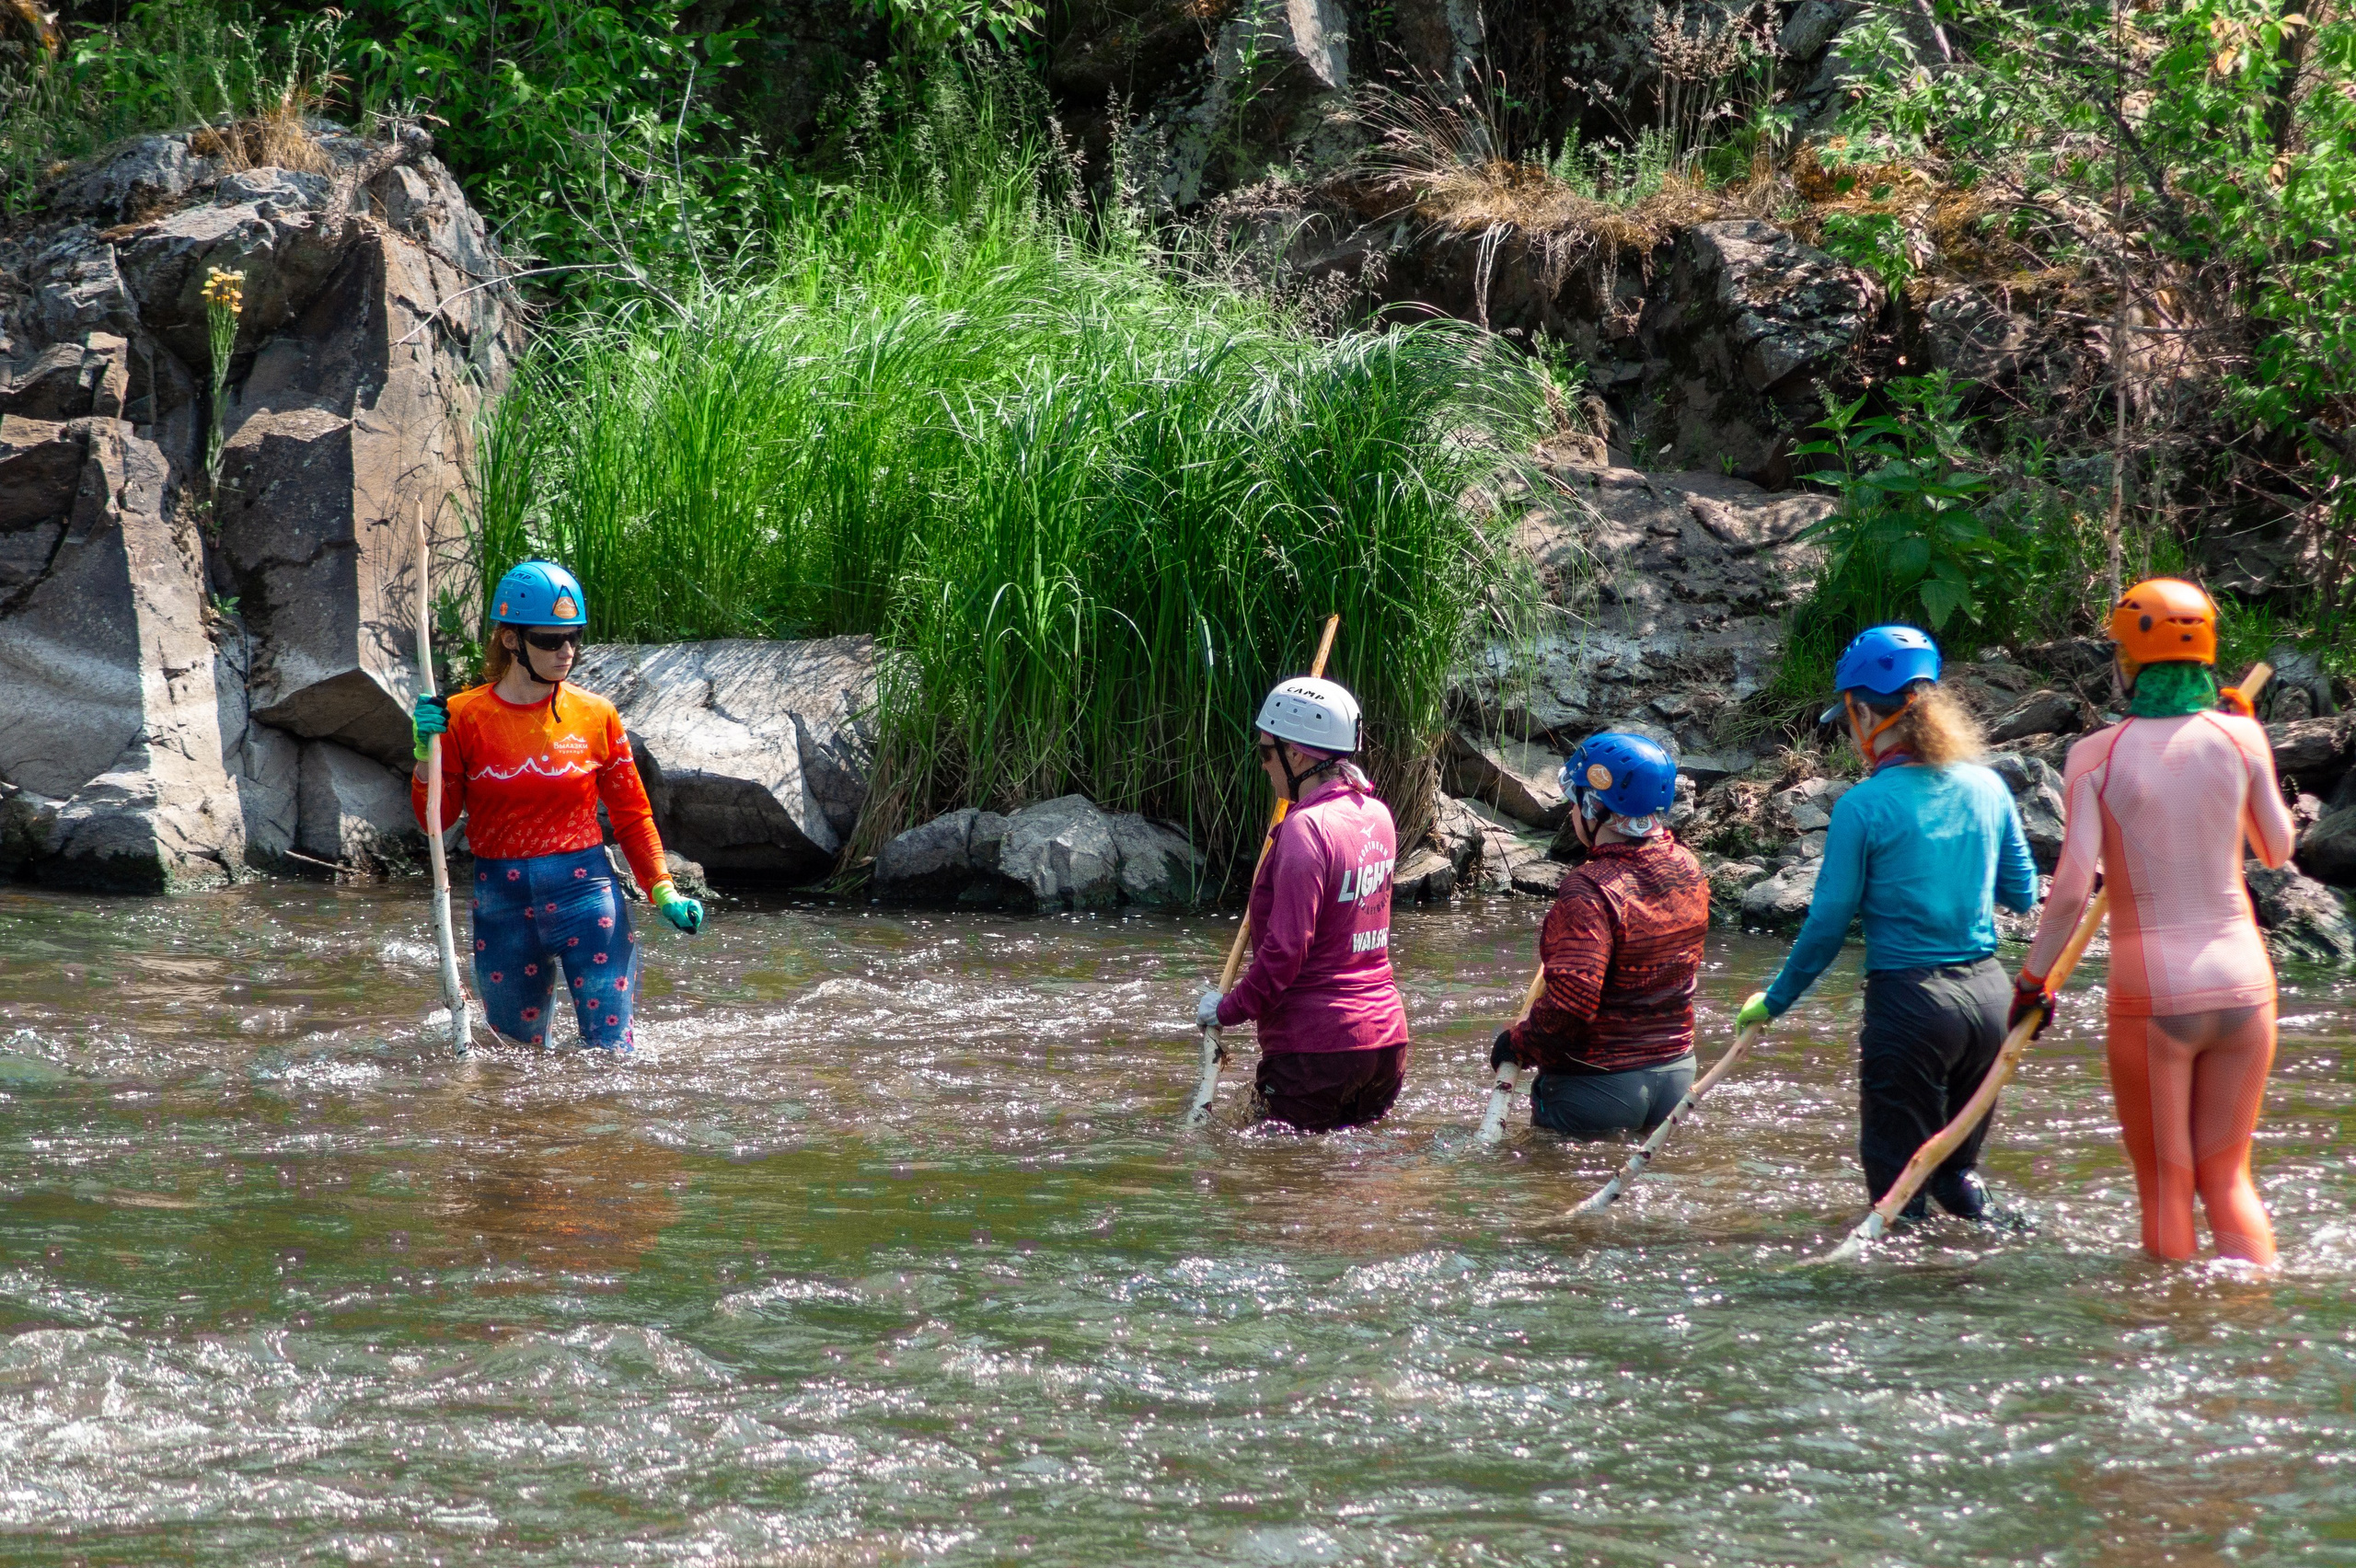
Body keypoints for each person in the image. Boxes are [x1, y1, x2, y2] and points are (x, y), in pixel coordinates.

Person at [2015, 578, 2295, 1264]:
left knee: (2167, 1188)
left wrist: (2031, 981)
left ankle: (2171, 1329)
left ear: (2128, 661)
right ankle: (2250, 1326)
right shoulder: (2241, 737)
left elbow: (2074, 890)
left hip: (2154, 995)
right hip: (2243, 985)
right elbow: (2276, 848)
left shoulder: (2095, 756)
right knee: (2228, 1178)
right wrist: (2245, 741)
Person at [1737, 625, 2038, 1221]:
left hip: (1912, 1009)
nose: (1851, 737)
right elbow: (2021, 892)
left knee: (1897, 1200)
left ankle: (1901, 1305)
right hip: (1989, 1004)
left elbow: (1825, 928)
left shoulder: (1861, 807)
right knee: (1956, 1176)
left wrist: (1773, 1002)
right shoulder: (1987, 785)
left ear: (1867, 712)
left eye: (1849, 720)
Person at [408, 559, 704, 1051]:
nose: (566, 651)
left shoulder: (597, 715)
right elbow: (434, 823)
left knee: (612, 1054)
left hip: (589, 901)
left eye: (574, 638)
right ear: (511, 640)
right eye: (549, 640)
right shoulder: (462, 716)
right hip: (501, 906)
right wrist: (424, 758)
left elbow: (632, 815)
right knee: (512, 1060)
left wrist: (663, 890)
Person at [1196, 676, 1410, 1131]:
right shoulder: (1377, 815)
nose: (1263, 766)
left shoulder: (1305, 829)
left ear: (1297, 755)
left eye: (1266, 754)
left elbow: (1286, 952)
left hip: (1316, 1051)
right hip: (1385, 1044)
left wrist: (1228, 1009)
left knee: (1278, 1184)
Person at [1490, 732, 1710, 1136]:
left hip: (1597, 1087)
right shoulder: (1688, 867)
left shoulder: (1588, 888)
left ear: (1594, 807)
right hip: (1677, 1075)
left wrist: (1518, 1043)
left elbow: (1572, 1006)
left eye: (1576, 801)